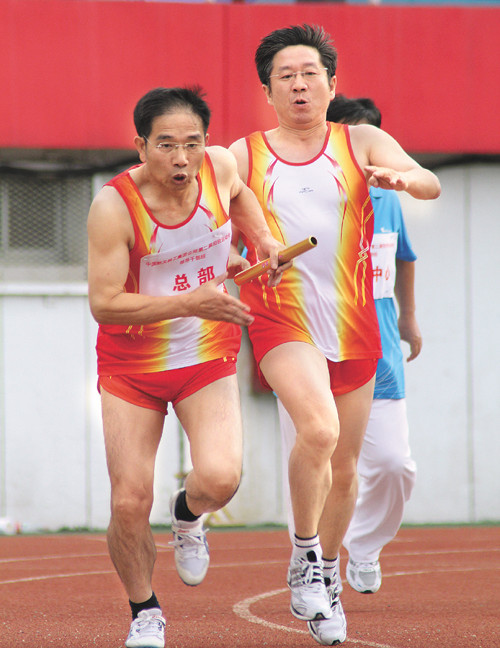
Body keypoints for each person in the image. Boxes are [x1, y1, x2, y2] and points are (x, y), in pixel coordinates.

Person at [229, 25, 440, 646]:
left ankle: (325, 574)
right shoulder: (243, 154)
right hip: (281, 314)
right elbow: (210, 219)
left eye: (310, 74)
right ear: (267, 90)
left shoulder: (362, 140)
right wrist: (234, 259)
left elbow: (428, 180)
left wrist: (403, 181)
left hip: (353, 317)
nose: (299, 85)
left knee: (344, 468)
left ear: (331, 83)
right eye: (286, 76)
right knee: (318, 432)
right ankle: (304, 556)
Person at [87, 86, 287, 648]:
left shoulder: (219, 167)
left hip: (205, 353)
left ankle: (188, 511)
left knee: (221, 478)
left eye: (192, 144)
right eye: (167, 145)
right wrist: (189, 302)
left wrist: (264, 239)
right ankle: (144, 610)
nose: (182, 158)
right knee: (129, 499)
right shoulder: (114, 206)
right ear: (141, 146)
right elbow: (104, 303)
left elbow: (241, 194)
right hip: (132, 365)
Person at [280, 94, 420, 600]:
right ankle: (315, 566)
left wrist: (408, 317)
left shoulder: (390, 199)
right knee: (317, 456)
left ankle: (363, 546)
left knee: (395, 464)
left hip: (376, 347)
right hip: (307, 345)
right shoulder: (299, 196)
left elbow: (404, 257)